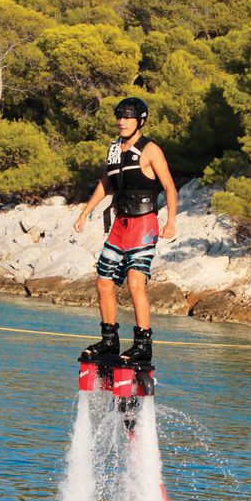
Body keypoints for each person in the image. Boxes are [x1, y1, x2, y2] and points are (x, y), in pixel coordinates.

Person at [73, 97, 177, 364]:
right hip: (119, 225)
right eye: (119, 117)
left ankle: (143, 343)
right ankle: (109, 341)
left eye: (128, 117)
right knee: (104, 282)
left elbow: (170, 187)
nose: (122, 122)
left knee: (134, 283)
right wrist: (86, 212)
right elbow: (106, 183)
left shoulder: (150, 149)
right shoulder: (113, 149)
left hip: (144, 224)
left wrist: (170, 222)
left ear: (140, 120)